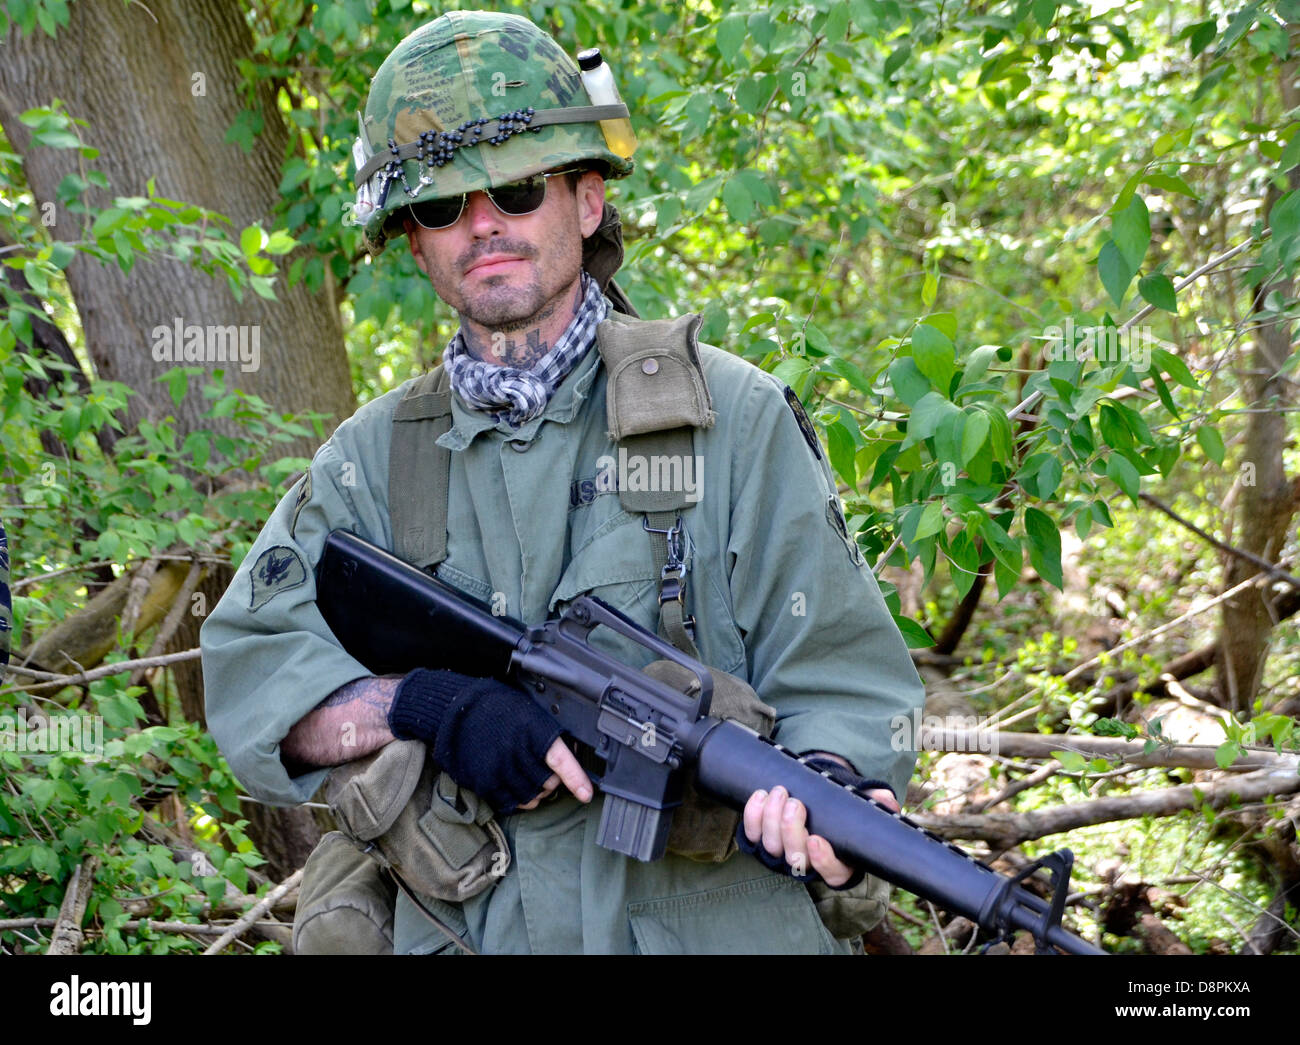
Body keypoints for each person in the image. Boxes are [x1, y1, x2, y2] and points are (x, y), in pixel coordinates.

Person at [200, 10, 926, 955]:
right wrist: (423, 703)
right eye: (440, 206)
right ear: (412, 244)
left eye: (517, 186)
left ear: (587, 201)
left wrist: (833, 793)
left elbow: (847, 679)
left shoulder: (732, 420)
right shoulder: (368, 463)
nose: (483, 224)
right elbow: (254, 675)